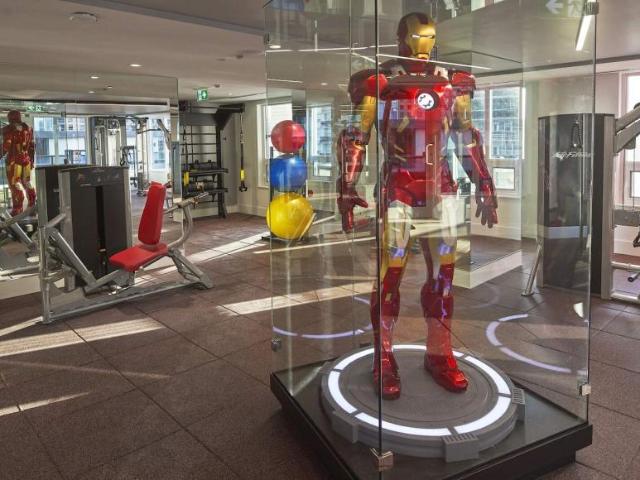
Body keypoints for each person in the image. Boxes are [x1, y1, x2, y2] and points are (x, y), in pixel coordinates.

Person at [336, 12, 498, 399]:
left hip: (440, 188)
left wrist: (484, 182)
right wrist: (347, 186)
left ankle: (439, 353)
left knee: (444, 278)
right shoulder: (379, 84)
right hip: (399, 187)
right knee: (390, 275)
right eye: (415, 37)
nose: (422, 46)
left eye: (428, 38)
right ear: (400, 39)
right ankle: (383, 356)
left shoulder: (453, 84)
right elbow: (356, 136)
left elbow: (466, 138)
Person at [2, 110, 35, 216]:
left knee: (15, 184)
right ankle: (32, 205)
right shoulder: (28, 129)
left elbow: (6, 146)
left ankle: (18, 208)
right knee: (27, 182)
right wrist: (31, 160)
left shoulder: (9, 130)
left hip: (14, 161)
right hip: (26, 160)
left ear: (10, 118)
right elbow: (32, 146)